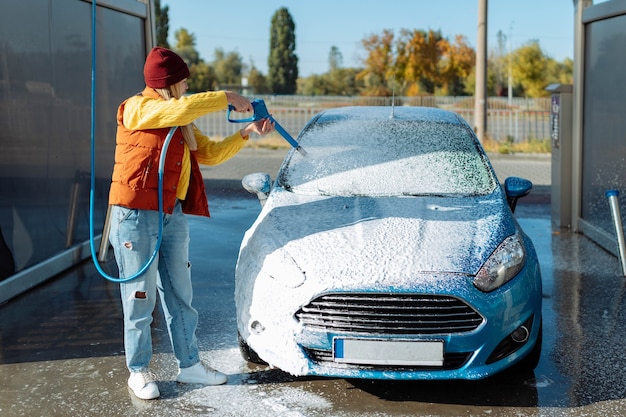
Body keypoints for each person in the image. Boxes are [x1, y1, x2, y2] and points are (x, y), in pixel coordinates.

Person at [108, 46, 274, 400]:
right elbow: (178, 107)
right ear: (167, 84)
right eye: (182, 82)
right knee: (140, 297)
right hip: (135, 216)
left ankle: (190, 365)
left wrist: (246, 132)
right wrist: (227, 97)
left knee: (181, 293)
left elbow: (210, 154)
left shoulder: (180, 119)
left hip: (172, 214)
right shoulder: (137, 108)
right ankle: (137, 371)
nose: (185, 87)